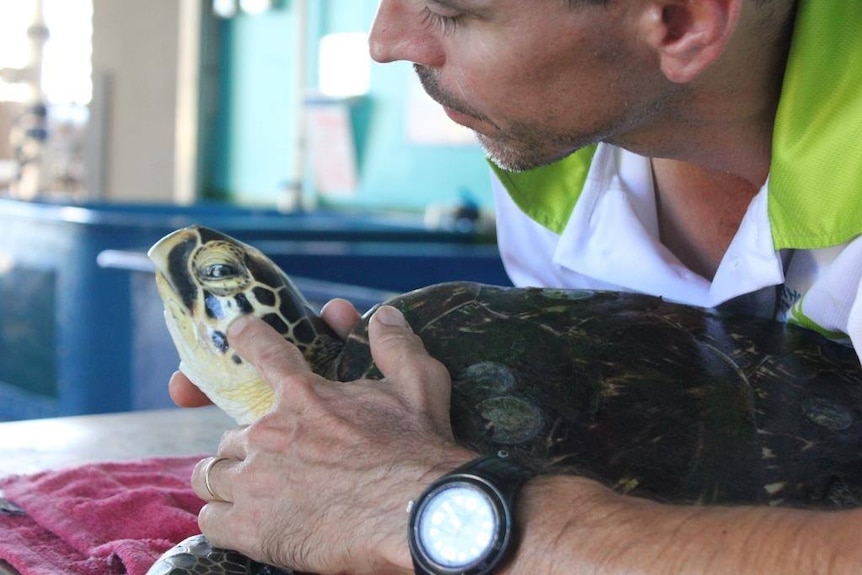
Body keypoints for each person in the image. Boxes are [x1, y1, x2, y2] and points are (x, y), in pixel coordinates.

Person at [172, 0, 862, 572]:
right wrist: (354, 422)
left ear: (679, 20)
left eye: (449, 11)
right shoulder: (562, 164)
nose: (385, 40)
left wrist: (434, 508)